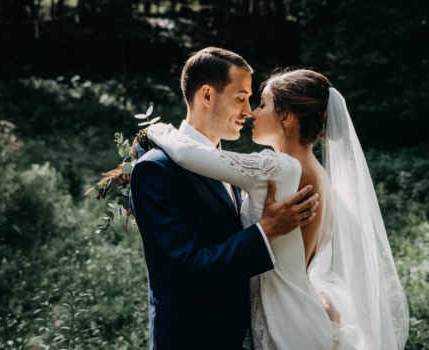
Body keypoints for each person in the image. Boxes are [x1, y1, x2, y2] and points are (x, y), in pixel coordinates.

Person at [146, 68, 410, 349]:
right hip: (303, 313)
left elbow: (189, 154)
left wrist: (157, 130)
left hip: (283, 327)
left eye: (262, 104)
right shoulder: (320, 175)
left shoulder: (280, 169)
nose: (252, 113)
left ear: (285, 116)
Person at [129, 47, 319, 350]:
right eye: (240, 98)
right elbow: (185, 272)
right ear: (207, 95)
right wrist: (265, 231)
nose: (248, 110)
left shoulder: (233, 167)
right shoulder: (156, 168)